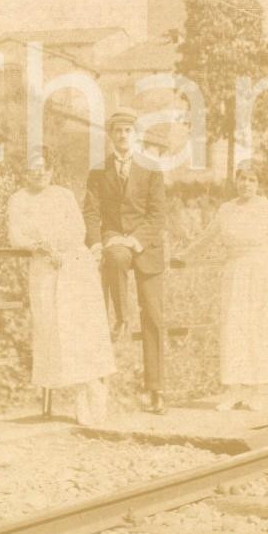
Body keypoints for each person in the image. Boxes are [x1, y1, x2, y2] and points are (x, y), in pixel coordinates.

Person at [173, 159, 268, 411]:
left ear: (258, 184)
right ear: (235, 181)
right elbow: (206, 238)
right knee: (234, 329)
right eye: (242, 178)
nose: (246, 184)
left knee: (259, 330)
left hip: (263, 274)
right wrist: (183, 257)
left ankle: (256, 391)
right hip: (235, 274)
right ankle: (233, 391)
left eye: (251, 180)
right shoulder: (226, 209)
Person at [7, 146, 116, 426]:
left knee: (81, 331)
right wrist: (41, 247)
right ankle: (82, 391)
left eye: (43, 168)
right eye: (33, 169)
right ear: (25, 172)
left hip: (74, 265)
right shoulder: (18, 200)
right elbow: (16, 236)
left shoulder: (64, 195)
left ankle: (91, 389)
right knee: (55, 333)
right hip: (44, 269)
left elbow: (78, 230)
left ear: (51, 171)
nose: (38, 173)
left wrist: (60, 250)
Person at [83, 107, 168, 415]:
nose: (122, 135)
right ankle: (121, 317)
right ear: (111, 135)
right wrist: (97, 242)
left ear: (136, 135)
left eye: (127, 131)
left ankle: (156, 389)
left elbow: (158, 215)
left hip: (147, 246)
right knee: (115, 257)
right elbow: (91, 212)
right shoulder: (99, 170)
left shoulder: (151, 168)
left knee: (154, 316)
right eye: (117, 130)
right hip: (115, 242)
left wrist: (136, 239)